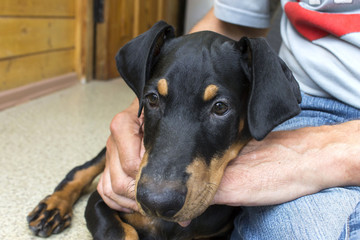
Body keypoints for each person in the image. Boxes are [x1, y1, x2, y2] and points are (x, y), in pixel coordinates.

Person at [98, 1, 360, 239]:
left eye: (219, 107)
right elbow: (232, 19)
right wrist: (140, 107)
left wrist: (332, 153)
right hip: (309, 99)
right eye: (154, 100)